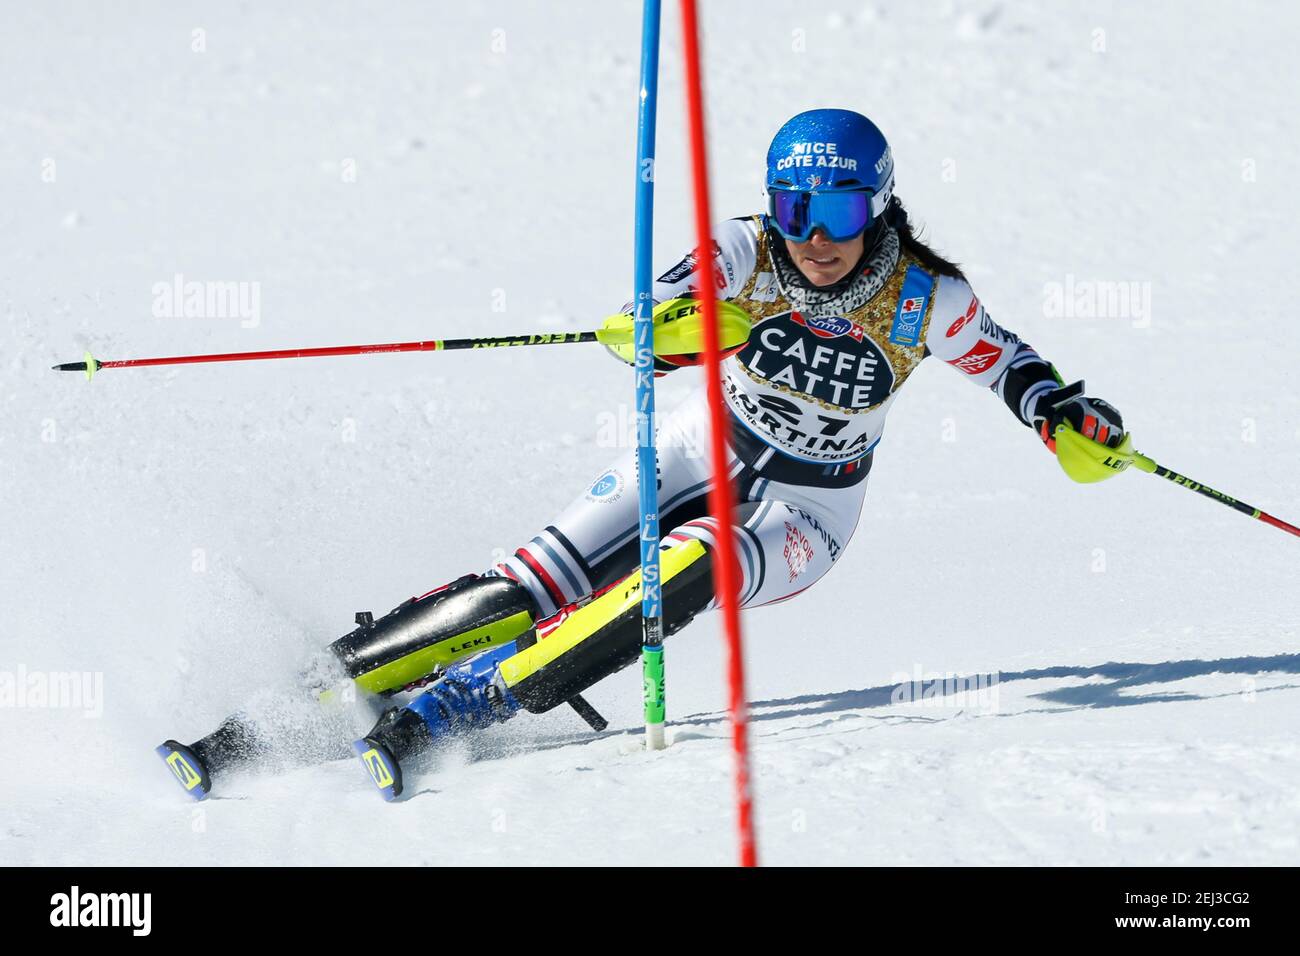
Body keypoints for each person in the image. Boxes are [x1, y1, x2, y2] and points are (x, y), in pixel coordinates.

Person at [157, 108, 1124, 802]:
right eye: (796, 210)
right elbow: (652, 318)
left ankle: (455, 710)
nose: (815, 239)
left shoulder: (925, 299)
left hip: (807, 514)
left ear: (878, 206)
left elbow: (1015, 369)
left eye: (837, 214)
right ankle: (289, 707)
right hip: (705, 442)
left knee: (685, 569)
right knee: (523, 585)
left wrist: (1066, 421)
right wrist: (666, 324)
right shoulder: (748, 249)